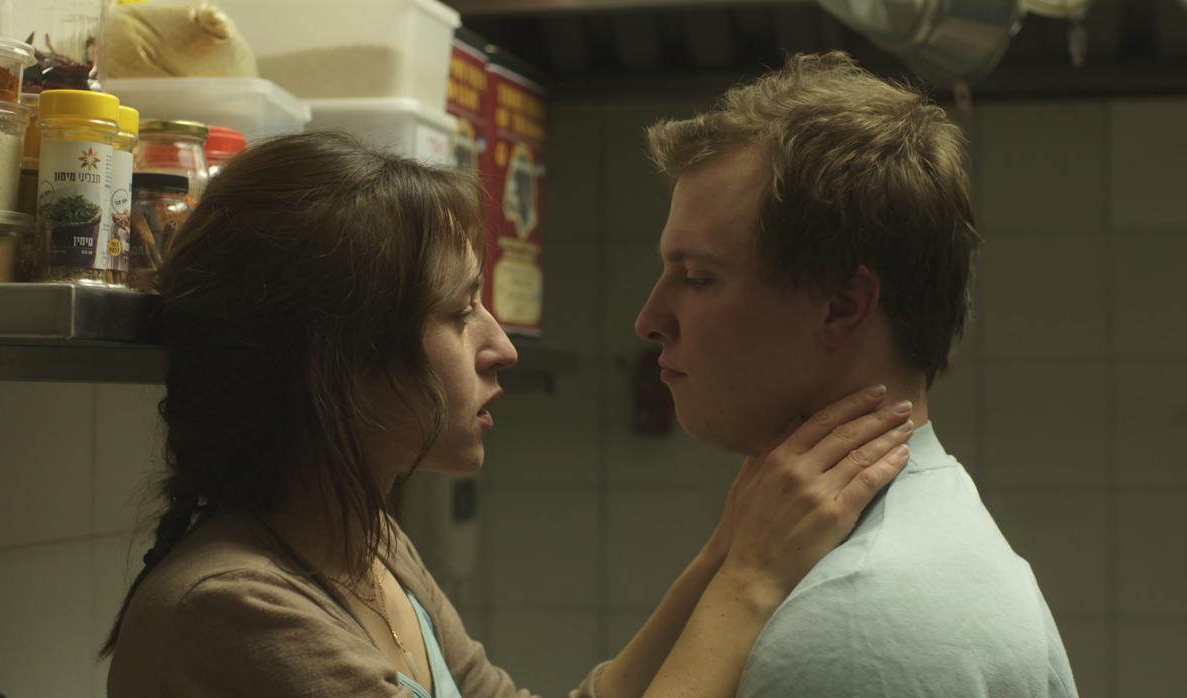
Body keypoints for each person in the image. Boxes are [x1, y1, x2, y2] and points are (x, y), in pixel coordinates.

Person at [101, 131, 915, 697]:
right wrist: (752, 581)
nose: (501, 348)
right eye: (460, 314)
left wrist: (728, 547)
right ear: (335, 365)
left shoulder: (367, 545)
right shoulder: (231, 612)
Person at [634, 52, 1078, 697]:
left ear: (842, 307)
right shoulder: (926, 542)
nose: (649, 319)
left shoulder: (855, 626)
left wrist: (745, 581)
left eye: (699, 278)